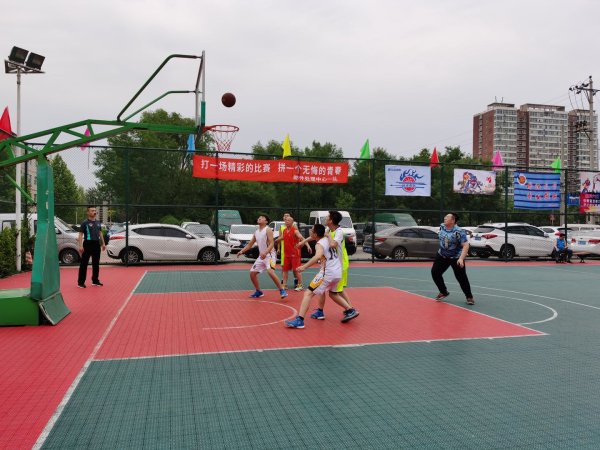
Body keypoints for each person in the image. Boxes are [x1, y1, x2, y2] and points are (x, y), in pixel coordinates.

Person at [285, 223, 359, 329]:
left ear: (315, 234)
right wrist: (304, 242)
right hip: (337, 272)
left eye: (311, 230)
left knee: (308, 293)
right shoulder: (327, 239)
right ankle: (350, 310)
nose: (310, 231)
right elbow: (314, 238)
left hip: (327, 273)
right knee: (333, 294)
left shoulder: (319, 244)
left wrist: (304, 266)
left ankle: (300, 320)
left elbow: (317, 256)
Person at [305, 210, 353, 320]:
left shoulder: (339, 232)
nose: (325, 218)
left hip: (340, 264)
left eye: (327, 217)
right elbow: (315, 235)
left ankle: (350, 309)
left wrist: (328, 236)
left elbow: (332, 244)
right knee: (328, 289)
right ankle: (322, 311)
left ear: (331, 220)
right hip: (332, 265)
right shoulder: (328, 229)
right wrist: (302, 242)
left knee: (337, 291)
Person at [238, 214, 287, 299]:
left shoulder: (268, 229)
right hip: (261, 256)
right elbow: (250, 244)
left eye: (262, 218)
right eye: (259, 217)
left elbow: (272, 243)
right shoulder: (256, 232)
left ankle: (282, 290)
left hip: (270, 255)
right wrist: (242, 251)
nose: (259, 218)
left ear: (266, 221)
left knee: (270, 272)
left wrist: (265, 252)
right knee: (252, 273)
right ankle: (258, 291)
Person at [431, 212, 474, 305]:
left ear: (453, 220)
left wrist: (461, 259)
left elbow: (466, 245)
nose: (445, 218)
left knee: (461, 278)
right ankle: (443, 292)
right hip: (442, 255)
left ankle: (469, 296)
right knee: (435, 272)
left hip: (456, 257)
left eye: (447, 217)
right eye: (445, 216)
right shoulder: (442, 227)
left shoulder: (459, 232)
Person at [275, 213, 311, 291]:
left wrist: (308, 245)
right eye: (286, 220)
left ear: (292, 222)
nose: (286, 221)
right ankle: (284, 285)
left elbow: (302, 238)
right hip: (286, 254)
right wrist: (276, 240)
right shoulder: (284, 230)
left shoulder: (295, 231)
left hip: (295, 254)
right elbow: (281, 237)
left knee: (296, 270)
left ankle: (300, 284)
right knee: (285, 270)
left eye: (288, 220)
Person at [77, 205, 106, 288]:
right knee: (84, 264)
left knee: (96, 263)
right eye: (92, 211)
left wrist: (103, 243)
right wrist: (80, 246)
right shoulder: (84, 223)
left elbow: (100, 233)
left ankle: (95, 281)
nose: (94, 212)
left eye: (95, 210)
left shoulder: (98, 222)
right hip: (87, 244)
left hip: (96, 244)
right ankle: (81, 282)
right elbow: (80, 234)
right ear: (88, 212)